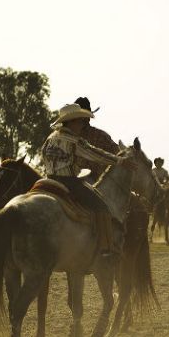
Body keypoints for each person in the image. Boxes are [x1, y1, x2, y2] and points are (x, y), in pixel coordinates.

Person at [40, 103, 138, 261]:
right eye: (79, 121)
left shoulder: (50, 138)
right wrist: (120, 161)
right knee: (102, 206)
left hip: (47, 180)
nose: (82, 124)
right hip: (69, 182)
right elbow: (95, 154)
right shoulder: (74, 140)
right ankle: (106, 248)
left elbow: (43, 156)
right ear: (71, 122)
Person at [72, 96, 121, 184]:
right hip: (94, 184)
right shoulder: (100, 135)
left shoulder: (101, 136)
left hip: (87, 182)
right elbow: (118, 154)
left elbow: (118, 154)